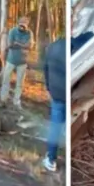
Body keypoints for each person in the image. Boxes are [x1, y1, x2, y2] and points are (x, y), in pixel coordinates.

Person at [41, 37, 67, 172]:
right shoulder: (77, 45)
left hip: (57, 93)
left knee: (55, 127)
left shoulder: (53, 46)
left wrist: (49, 88)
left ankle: (51, 159)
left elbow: (45, 68)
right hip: (72, 93)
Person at [1, 17, 34, 108]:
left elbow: (30, 46)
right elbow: (10, 45)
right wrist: (23, 46)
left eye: (24, 24)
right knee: (5, 80)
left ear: (27, 24)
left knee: (19, 83)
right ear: (18, 23)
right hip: (11, 60)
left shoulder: (29, 33)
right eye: (20, 24)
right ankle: (3, 99)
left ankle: (16, 101)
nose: (22, 27)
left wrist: (18, 44)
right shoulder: (13, 31)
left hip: (23, 62)